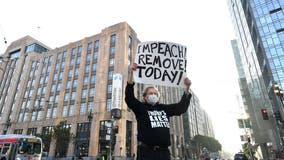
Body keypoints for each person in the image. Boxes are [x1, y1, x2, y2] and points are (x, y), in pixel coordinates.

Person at [125, 63, 192, 160]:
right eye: (151, 93)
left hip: (164, 153)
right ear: (145, 96)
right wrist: (131, 73)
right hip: (146, 153)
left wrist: (187, 88)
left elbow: (181, 108)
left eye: (155, 94)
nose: (153, 95)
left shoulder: (164, 108)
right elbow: (129, 98)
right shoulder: (141, 108)